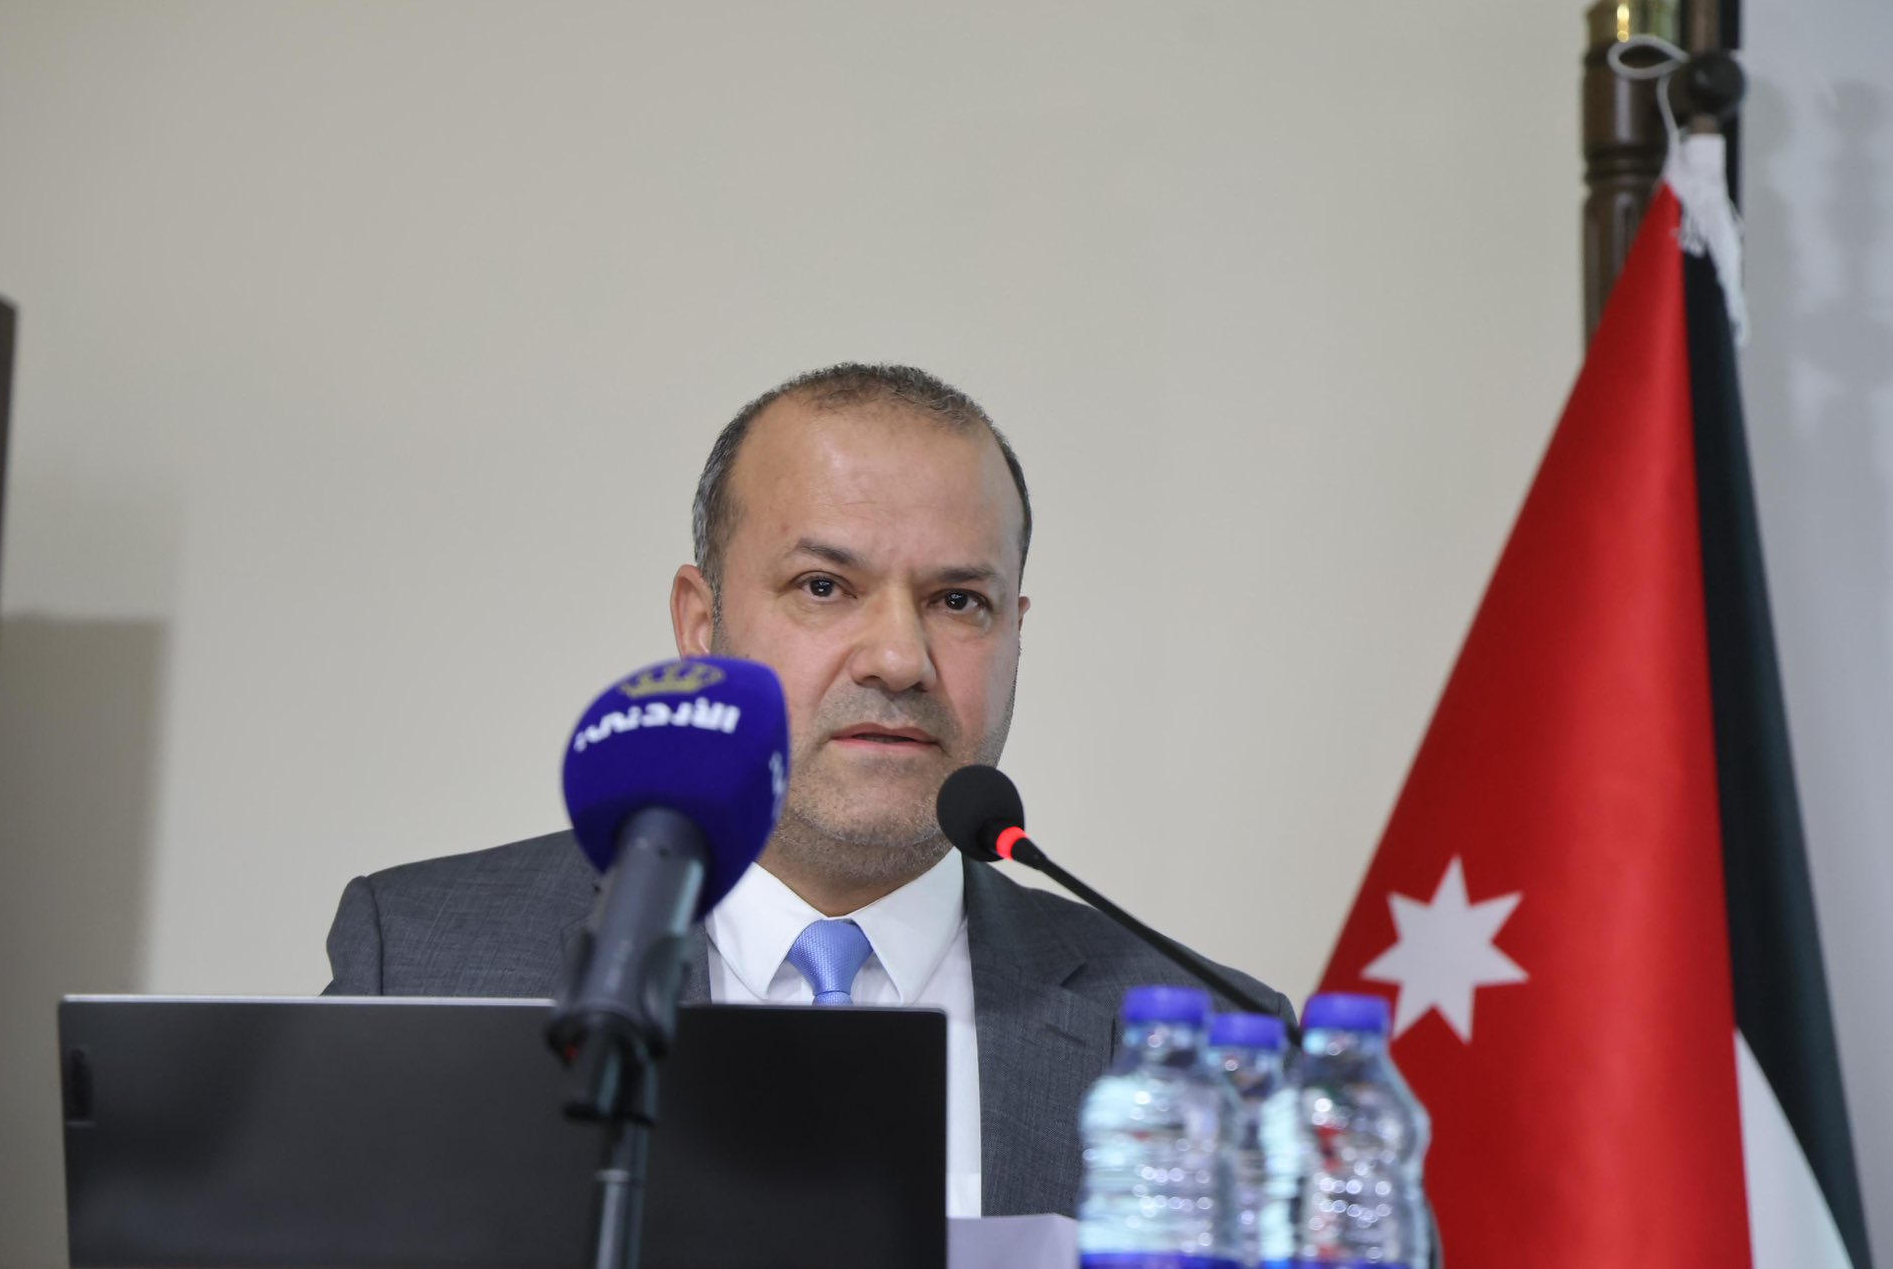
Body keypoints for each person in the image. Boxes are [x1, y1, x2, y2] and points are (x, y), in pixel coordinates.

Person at [322, 364, 1290, 1218]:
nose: (898, 659)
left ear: (1014, 634)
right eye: (824, 586)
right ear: (700, 624)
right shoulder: (422, 964)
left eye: (959, 601)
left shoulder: (1211, 1039)